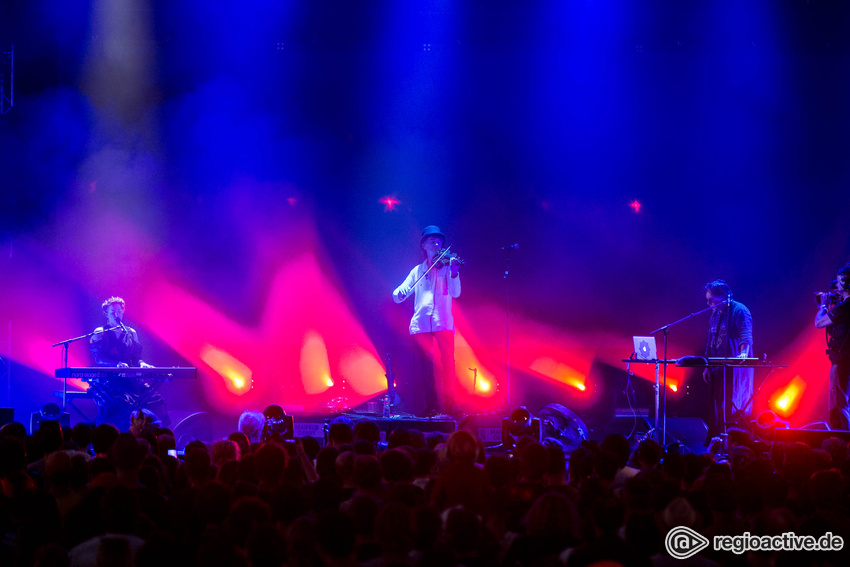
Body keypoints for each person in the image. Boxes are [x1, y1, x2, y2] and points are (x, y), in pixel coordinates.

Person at [393, 226, 461, 417]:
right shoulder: (417, 271)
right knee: (426, 368)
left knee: (448, 365)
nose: (436, 242)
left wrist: (454, 273)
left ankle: (451, 406)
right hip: (421, 325)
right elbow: (398, 295)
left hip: (443, 323)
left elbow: (456, 293)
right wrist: (400, 293)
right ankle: (431, 406)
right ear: (423, 245)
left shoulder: (448, 265)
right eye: (431, 239)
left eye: (438, 239)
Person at [89, 296, 169, 428]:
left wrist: (142, 364)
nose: (117, 314)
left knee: (156, 400)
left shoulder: (131, 333)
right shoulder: (100, 332)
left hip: (131, 380)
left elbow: (136, 357)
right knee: (117, 403)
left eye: (119, 311)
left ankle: (154, 435)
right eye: (113, 311)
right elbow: (99, 359)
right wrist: (116, 365)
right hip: (110, 380)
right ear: (106, 314)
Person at [702, 280, 754, 439]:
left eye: (712, 300)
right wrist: (706, 365)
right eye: (707, 300)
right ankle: (717, 439)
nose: (709, 303)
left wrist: (743, 353)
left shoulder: (740, 310)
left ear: (725, 296)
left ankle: (734, 441)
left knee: (731, 405)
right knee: (717, 404)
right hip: (717, 367)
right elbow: (710, 339)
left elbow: (745, 334)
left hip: (734, 368)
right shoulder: (715, 314)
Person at [815, 266, 850, 430]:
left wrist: (823, 306)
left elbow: (819, 323)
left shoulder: (845, 307)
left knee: (838, 399)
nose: (836, 287)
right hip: (844, 359)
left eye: (839, 282)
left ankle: (838, 438)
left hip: (843, 360)